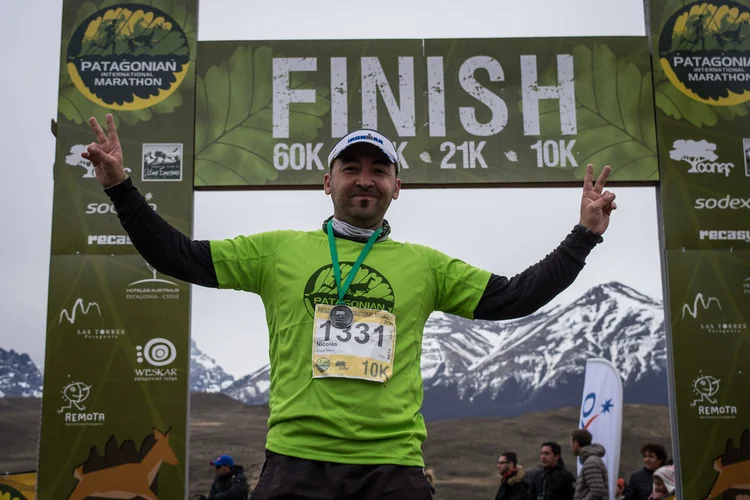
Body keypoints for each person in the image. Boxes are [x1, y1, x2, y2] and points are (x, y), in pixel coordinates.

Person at [82, 115, 617, 500]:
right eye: (352, 167)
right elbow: (177, 256)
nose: (366, 178)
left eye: (379, 170)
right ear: (327, 182)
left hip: (392, 467)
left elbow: (515, 296)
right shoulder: (276, 252)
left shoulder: (425, 266)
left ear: (397, 188)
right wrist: (121, 188)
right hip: (295, 462)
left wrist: (584, 236)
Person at [570, 429, 608, 500]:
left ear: (576, 443)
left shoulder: (591, 462)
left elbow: (597, 491)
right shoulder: (590, 460)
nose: (571, 446)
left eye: (571, 443)